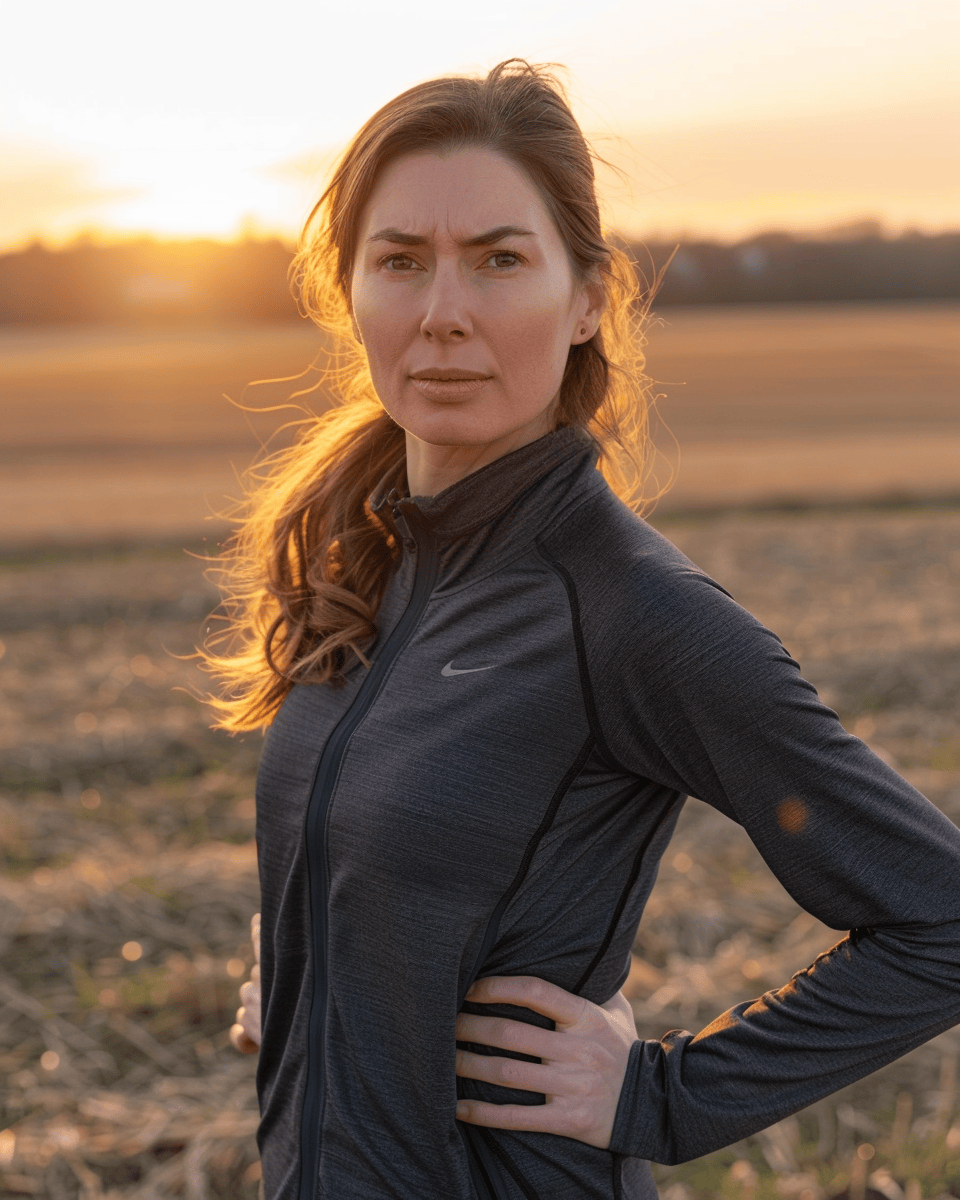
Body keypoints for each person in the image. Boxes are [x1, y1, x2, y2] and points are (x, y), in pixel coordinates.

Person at [210, 59, 960, 1200]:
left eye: (501, 260)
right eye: (401, 260)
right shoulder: (364, 565)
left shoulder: (628, 607)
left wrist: (662, 1094)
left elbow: (939, 918)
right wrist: (319, 960)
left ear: (588, 297)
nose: (443, 312)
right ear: (348, 292)